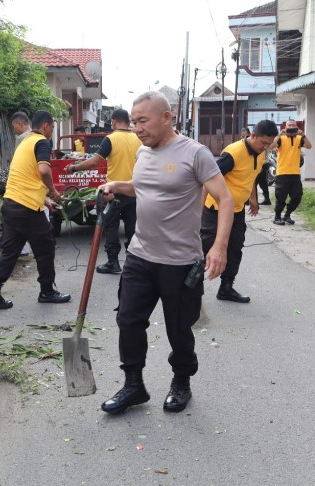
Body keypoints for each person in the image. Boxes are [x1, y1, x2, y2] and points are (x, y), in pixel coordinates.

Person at [97, 92, 233, 414]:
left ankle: (181, 382)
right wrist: (117, 184)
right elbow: (145, 186)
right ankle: (134, 385)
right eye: (134, 122)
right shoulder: (143, 153)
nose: (137, 128)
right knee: (128, 319)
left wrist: (219, 247)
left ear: (166, 118)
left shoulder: (195, 153)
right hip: (140, 255)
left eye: (143, 120)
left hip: (180, 261)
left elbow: (225, 199)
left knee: (178, 328)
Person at [0, 110, 71, 309]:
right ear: (46, 126)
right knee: (46, 245)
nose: (52, 132)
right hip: (26, 208)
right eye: (53, 128)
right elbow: (43, 171)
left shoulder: (25, 143)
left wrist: (45, 200)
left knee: (11, 250)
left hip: (11, 203)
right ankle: (47, 291)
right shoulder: (42, 142)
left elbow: (28, 176)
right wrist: (54, 192)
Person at [201, 119, 279, 304]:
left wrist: (253, 198)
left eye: (269, 144)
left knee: (235, 249)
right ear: (252, 136)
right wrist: (198, 210)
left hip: (237, 210)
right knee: (205, 248)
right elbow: (208, 179)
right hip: (215, 210)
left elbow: (251, 175)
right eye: (263, 143)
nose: (266, 147)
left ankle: (226, 288)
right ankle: (192, 289)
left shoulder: (261, 153)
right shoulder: (233, 153)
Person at [65, 109, 142, 274]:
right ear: (128, 122)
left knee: (111, 227)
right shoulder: (139, 138)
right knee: (132, 227)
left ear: (114, 121)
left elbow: (94, 161)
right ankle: (133, 263)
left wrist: (74, 168)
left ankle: (113, 262)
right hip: (134, 191)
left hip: (114, 192)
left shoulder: (110, 139)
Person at [270, 120, 312, 225]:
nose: (291, 127)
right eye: (289, 126)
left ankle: (287, 214)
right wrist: (280, 134)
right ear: (285, 127)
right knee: (281, 197)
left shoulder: (299, 138)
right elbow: (272, 145)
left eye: (294, 126)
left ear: (297, 127)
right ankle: (277, 217)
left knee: (297, 196)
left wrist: (303, 135)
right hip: (282, 173)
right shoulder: (281, 139)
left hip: (295, 173)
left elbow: (309, 146)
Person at [11, 111, 34, 257]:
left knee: (23, 219)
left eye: (14, 126)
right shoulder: (36, 137)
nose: (14, 130)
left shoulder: (22, 138)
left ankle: (24, 249)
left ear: (20, 124)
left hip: (25, 184)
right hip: (34, 185)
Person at [247, 126, 272, 206]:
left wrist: (260, 166)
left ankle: (254, 201)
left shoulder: (262, 142)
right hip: (260, 164)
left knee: (256, 182)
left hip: (262, 164)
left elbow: (262, 154)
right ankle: (265, 199)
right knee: (262, 183)